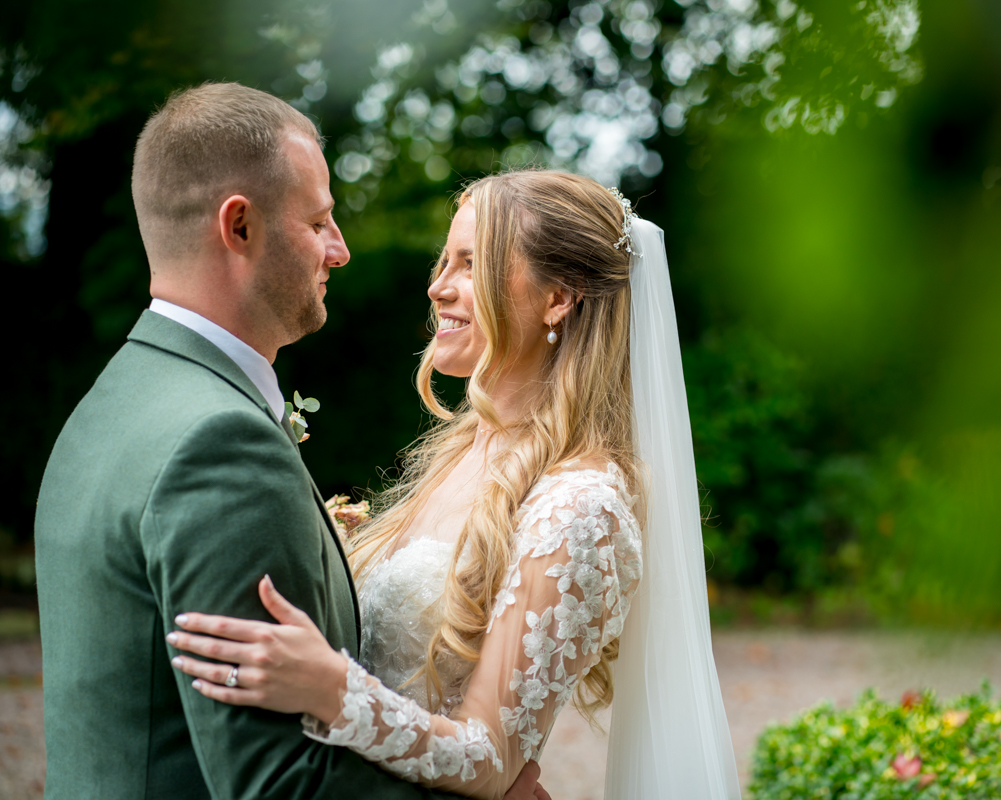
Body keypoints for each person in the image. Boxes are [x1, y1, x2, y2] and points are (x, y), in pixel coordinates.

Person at [34, 82, 544, 800]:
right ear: (238, 226)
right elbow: (278, 786)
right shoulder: (216, 445)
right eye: (319, 221)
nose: (339, 250)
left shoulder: (112, 400)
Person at [166, 169, 744, 799]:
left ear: (559, 297)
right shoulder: (460, 451)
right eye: (445, 262)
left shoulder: (581, 505)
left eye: (471, 264)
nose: (439, 287)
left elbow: (491, 757)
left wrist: (332, 689)